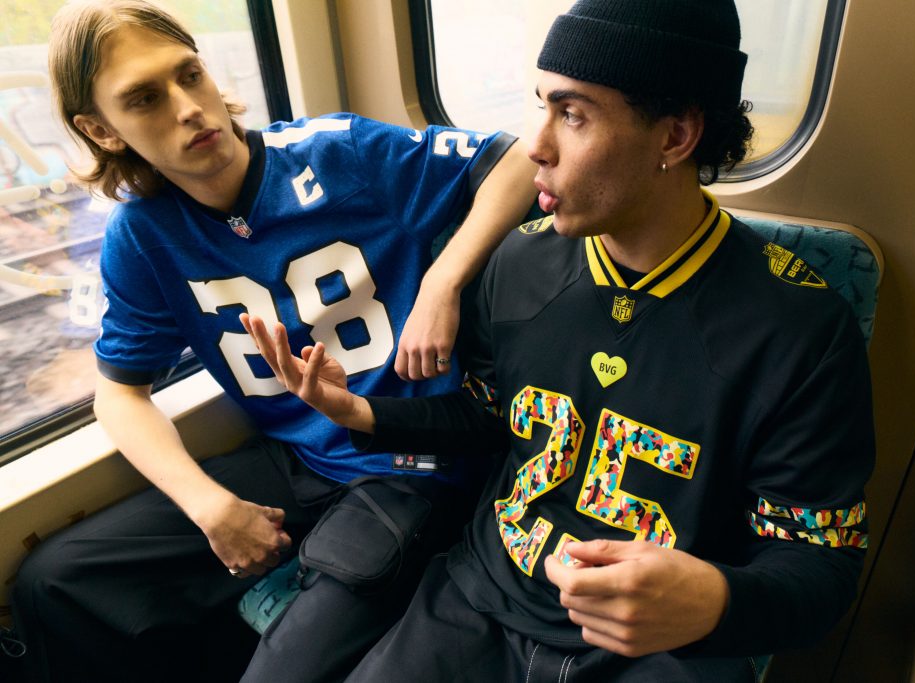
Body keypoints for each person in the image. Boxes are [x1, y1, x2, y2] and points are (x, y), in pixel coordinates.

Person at [243, 0, 876, 681]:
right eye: (538, 105)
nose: (535, 145)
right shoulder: (518, 263)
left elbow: (820, 562)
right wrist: (363, 415)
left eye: (572, 114)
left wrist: (718, 599)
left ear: (675, 137)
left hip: (655, 646)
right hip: (481, 599)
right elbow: (490, 414)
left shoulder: (802, 328)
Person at [9, 1, 536, 682]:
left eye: (188, 75)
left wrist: (441, 280)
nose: (189, 107)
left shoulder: (338, 153)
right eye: (144, 98)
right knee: (54, 582)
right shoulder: (143, 235)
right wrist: (210, 506)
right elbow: (119, 394)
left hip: (410, 459)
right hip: (297, 454)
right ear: (101, 130)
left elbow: (517, 161)